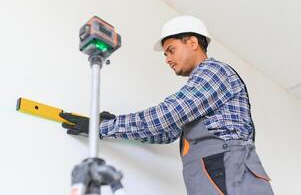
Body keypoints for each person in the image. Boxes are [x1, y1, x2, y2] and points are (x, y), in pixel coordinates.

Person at [60, 16, 274, 195]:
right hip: (213, 172)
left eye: (171, 50)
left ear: (192, 43)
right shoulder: (200, 92)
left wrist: (101, 127)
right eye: (165, 54)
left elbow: (166, 116)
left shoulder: (213, 71)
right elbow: (165, 132)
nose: (167, 59)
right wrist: (113, 126)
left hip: (229, 170)